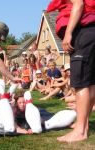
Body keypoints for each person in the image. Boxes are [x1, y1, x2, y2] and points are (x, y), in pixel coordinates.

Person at [47, 0, 95, 142]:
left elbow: (79, 4)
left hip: (83, 32)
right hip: (90, 33)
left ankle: (79, 131)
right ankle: (83, 126)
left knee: (81, 83)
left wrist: (68, 33)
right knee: (91, 83)